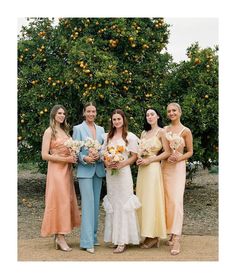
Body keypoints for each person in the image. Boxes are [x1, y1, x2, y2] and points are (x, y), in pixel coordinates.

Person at [41, 105, 81, 252]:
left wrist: (73, 155)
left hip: (67, 170)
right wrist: (65, 159)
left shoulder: (65, 131)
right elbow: (44, 155)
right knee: (59, 201)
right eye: (59, 113)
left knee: (66, 201)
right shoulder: (49, 131)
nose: (62, 115)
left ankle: (60, 235)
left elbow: (70, 150)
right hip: (56, 171)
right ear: (53, 115)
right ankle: (60, 237)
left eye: (64, 113)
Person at [102, 109, 141, 253]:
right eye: (114, 119)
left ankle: (123, 240)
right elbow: (103, 155)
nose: (116, 121)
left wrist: (122, 163)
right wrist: (107, 163)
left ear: (123, 120)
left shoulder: (130, 137)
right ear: (111, 121)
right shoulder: (107, 137)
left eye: (119, 119)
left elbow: (134, 156)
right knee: (114, 203)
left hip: (123, 174)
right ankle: (115, 237)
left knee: (124, 204)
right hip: (111, 175)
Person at [73, 102, 106, 254]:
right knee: (87, 204)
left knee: (95, 205)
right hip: (85, 171)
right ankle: (86, 242)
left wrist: (99, 155)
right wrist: (84, 158)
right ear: (84, 113)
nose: (91, 114)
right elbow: (75, 150)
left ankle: (93, 237)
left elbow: (104, 149)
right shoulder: (78, 129)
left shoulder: (101, 130)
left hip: (98, 170)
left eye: (94, 111)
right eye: (89, 111)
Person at [136, 108, 170, 249]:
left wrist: (151, 160)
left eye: (152, 114)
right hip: (142, 170)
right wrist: (139, 158)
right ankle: (146, 233)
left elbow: (167, 152)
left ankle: (154, 236)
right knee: (142, 200)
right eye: (147, 115)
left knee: (152, 200)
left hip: (153, 169)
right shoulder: (144, 133)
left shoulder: (161, 132)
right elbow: (139, 151)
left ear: (158, 116)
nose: (149, 117)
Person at [162, 102, 193, 255]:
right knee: (167, 201)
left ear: (180, 112)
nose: (171, 113)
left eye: (174, 110)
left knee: (176, 200)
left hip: (178, 168)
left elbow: (190, 152)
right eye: (169, 111)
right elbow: (162, 149)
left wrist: (179, 158)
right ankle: (171, 232)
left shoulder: (186, 131)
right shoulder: (164, 130)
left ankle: (177, 238)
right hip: (165, 167)